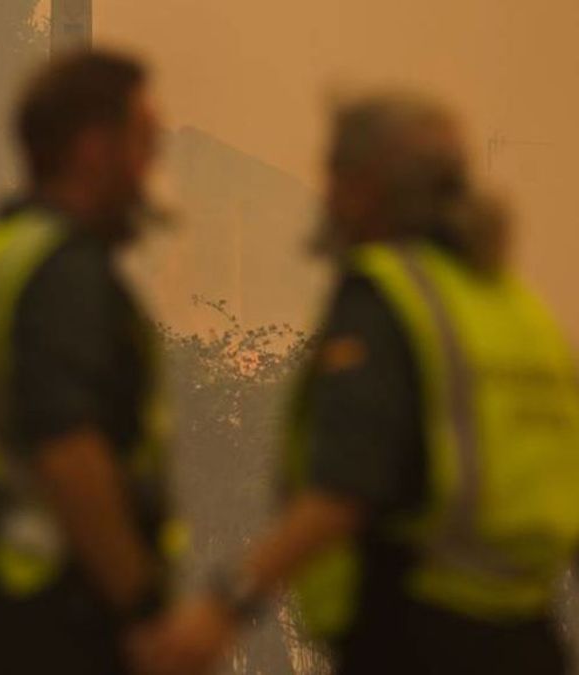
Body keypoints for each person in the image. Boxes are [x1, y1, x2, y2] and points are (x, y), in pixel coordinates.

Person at [138, 92, 579, 675]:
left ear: (371, 187)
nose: (328, 197)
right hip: (531, 641)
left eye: (337, 177)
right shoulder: (518, 314)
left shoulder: (386, 300)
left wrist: (222, 606)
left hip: (416, 638)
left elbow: (344, 488)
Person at [0, 49, 183, 675]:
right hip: (66, 627)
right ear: (92, 150)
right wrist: (144, 610)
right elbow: (68, 451)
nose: (150, 168)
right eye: (142, 143)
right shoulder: (65, 275)